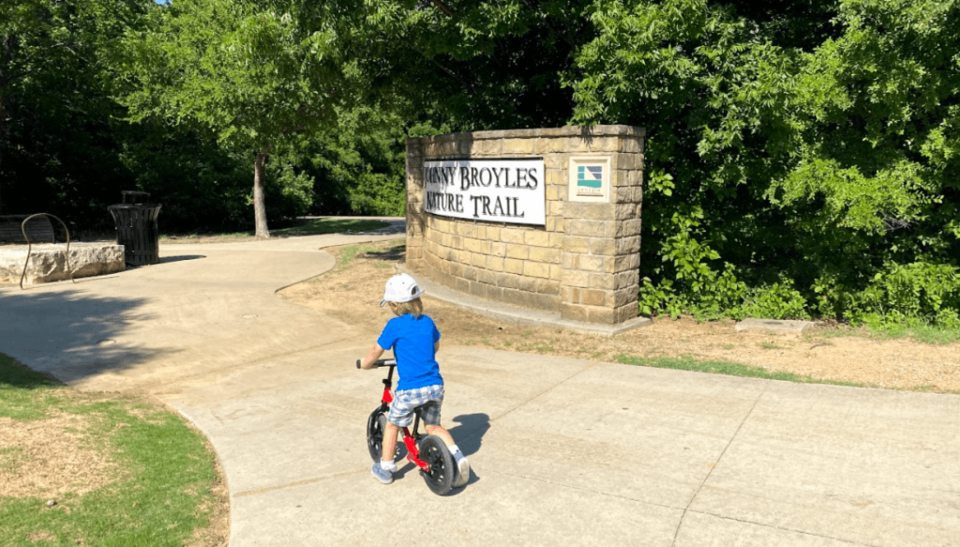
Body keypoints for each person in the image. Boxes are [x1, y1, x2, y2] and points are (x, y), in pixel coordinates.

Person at [359, 273, 470, 487]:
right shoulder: (427, 322)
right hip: (435, 386)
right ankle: (457, 457)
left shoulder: (394, 325)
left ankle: (386, 467)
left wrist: (366, 364)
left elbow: (376, 350)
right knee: (433, 426)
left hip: (411, 389)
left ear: (393, 304)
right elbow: (435, 346)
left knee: (392, 425)